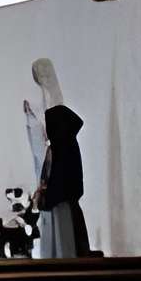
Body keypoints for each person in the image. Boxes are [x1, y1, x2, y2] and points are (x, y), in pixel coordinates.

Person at [33, 101, 90, 258]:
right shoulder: (63, 146)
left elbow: (60, 181)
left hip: (62, 209)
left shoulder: (62, 148)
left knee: (64, 250)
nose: (47, 129)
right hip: (61, 207)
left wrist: (47, 195)